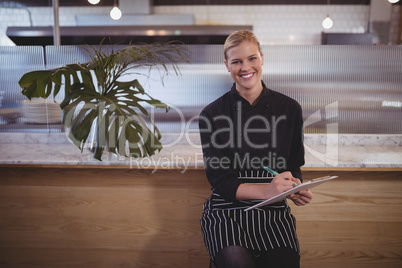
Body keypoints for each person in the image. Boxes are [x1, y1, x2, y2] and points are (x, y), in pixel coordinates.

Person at [198, 30, 313, 268]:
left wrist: (294, 186)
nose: (245, 67)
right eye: (236, 61)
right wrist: (268, 190)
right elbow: (221, 180)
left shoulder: (290, 109)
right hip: (226, 212)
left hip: (273, 214)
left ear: (262, 57)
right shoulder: (212, 114)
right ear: (227, 66)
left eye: (252, 58)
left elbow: (292, 164)